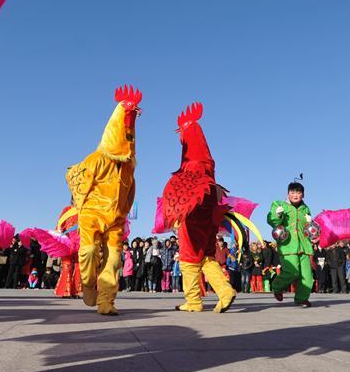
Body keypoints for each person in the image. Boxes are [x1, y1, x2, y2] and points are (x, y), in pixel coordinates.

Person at [66, 85, 141, 315]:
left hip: (116, 220)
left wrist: (124, 211)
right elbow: (74, 177)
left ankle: (106, 302)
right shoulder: (97, 158)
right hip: (92, 214)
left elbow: (131, 193)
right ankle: (88, 283)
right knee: (88, 253)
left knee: (114, 261)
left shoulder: (128, 167)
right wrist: (81, 204)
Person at [159, 102, 237, 313]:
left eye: (183, 131)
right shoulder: (208, 163)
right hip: (209, 220)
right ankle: (225, 291)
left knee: (188, 259)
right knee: (206, 258)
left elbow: (188, 195)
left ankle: (193, 301)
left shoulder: (193, 165)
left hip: (194, 218)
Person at [267, 181, 314, 307]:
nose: (295, 195)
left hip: (304, 246)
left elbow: (309, 229)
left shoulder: (305, 208)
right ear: (288, 193)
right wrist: (277, 214)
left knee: (307, 276)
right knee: (292, 272)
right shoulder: (279, 204)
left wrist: (311, 223)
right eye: (292, 192)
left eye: (298, 192)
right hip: (288, 245)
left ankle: (301, 298)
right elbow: (272, 221)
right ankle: (277, 286)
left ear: (303, 195)